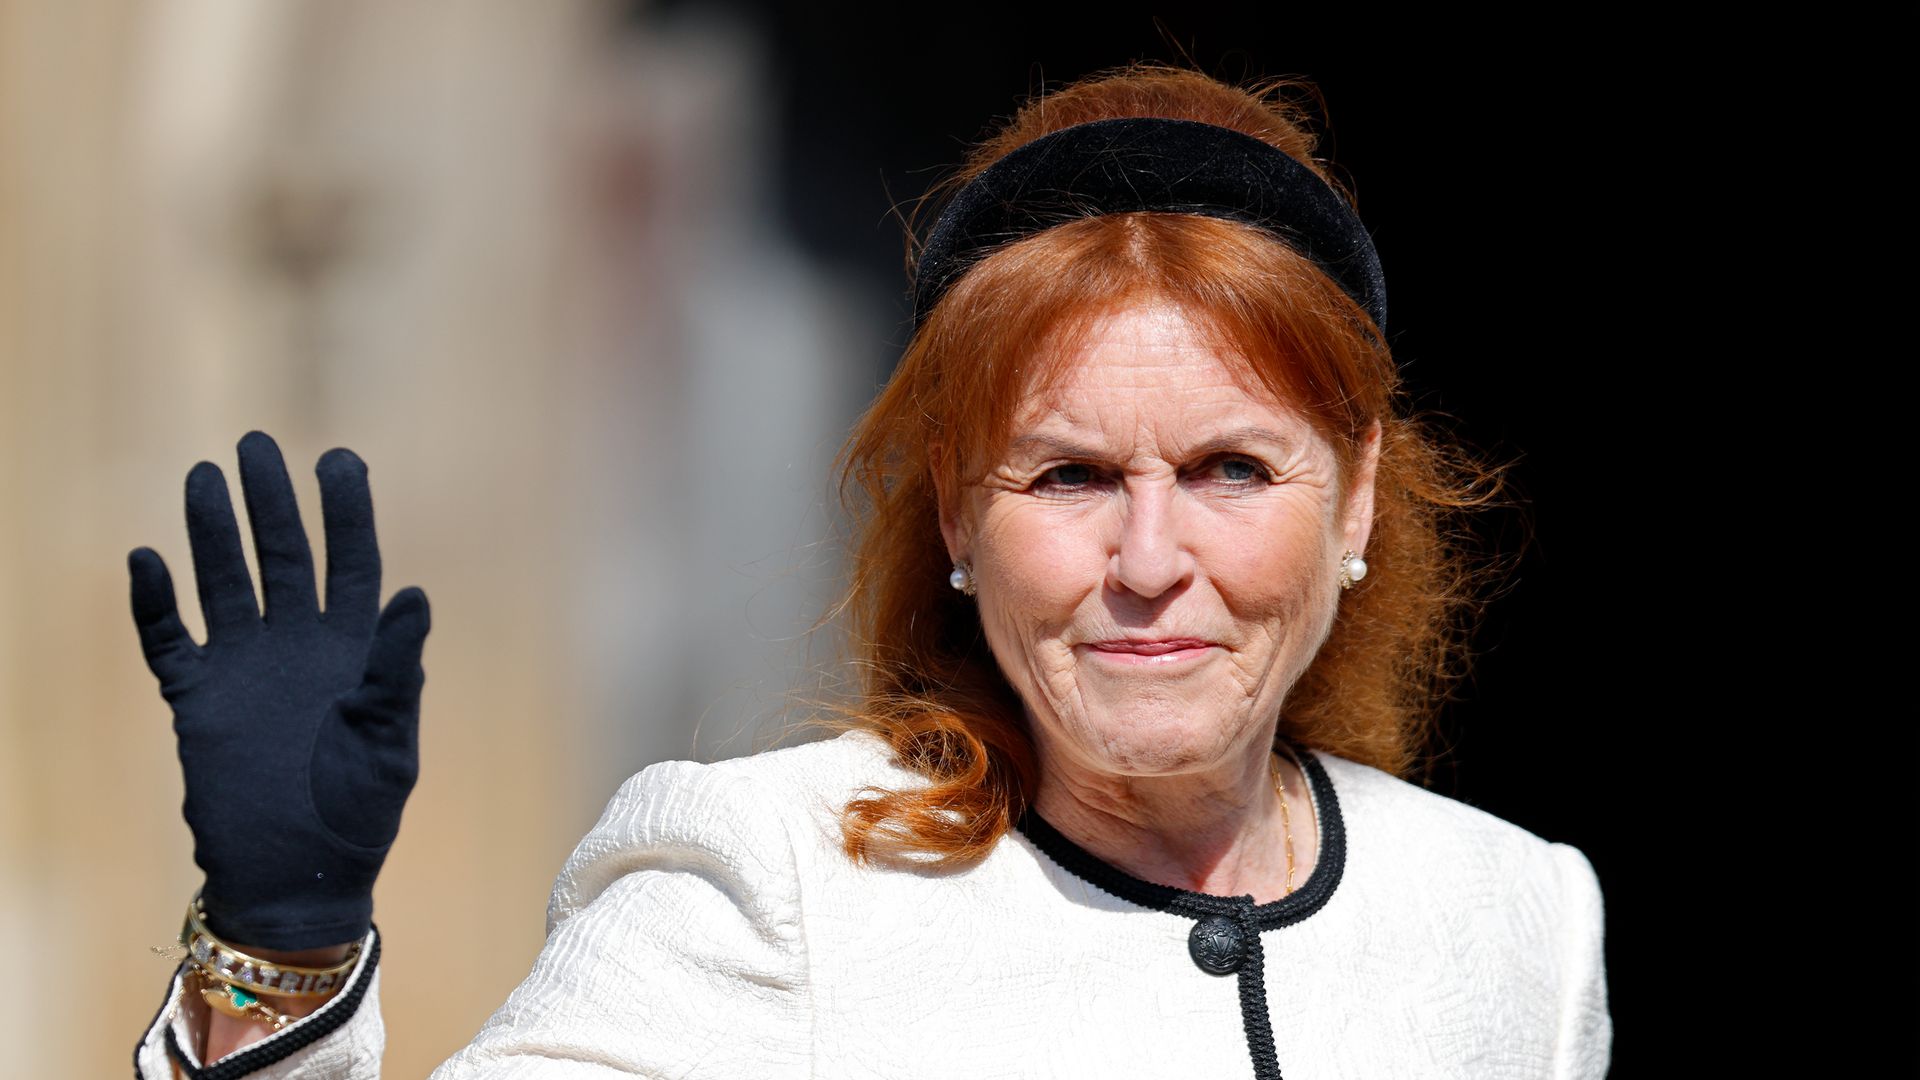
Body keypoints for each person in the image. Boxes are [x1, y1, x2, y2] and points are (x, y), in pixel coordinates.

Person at [128, 63, 1612, 1080]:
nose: (1150, 562)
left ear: (1354, 499)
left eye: (1231, 469)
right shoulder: (771, 884)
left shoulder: (1519, 917)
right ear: (958, 517)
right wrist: (284, 949)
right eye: (1070, 475)